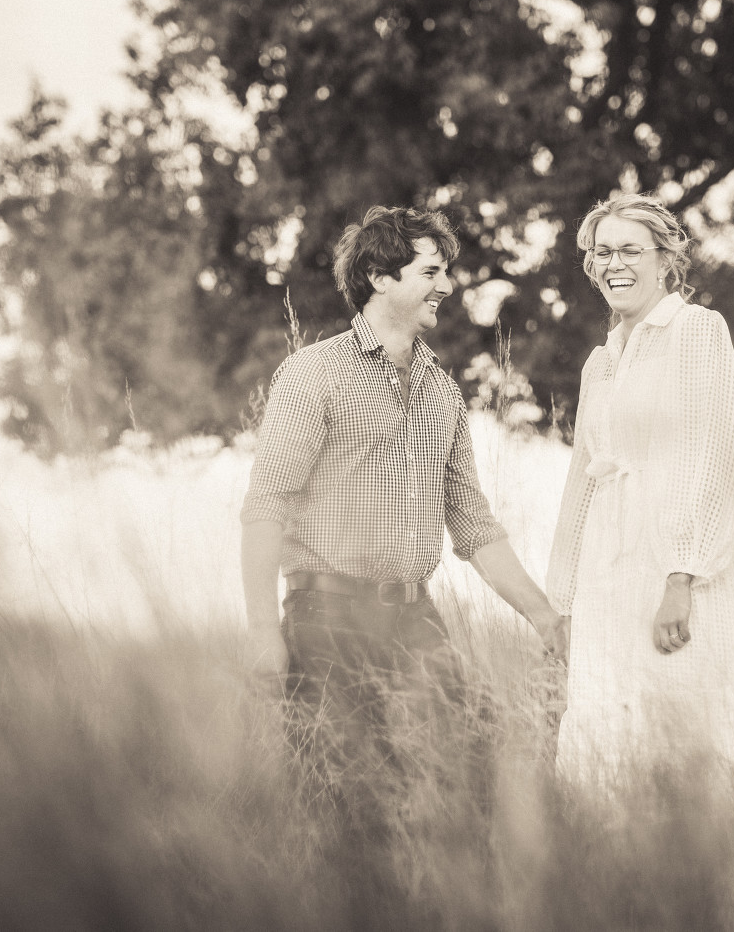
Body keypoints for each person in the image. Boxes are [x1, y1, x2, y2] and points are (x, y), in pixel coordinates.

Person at [241, 205, 570, 821]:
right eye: (430, 271)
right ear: (379, 276)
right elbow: (266, 506)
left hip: (415, 619)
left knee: (475, 783)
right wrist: (263, 631)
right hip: (326, 619)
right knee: (343, 804)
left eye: (445, 271)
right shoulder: (313, 374)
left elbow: (473, 524)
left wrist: (544, 616)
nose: (446, 285)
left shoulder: (443, 391)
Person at [546, 191, 734, 815]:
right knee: (613, 728)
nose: (613, 263)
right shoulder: (599, 362)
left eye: (629, 250)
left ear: (665, 261)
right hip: (608, 576)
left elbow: (710, 454)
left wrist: (680, 575)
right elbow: (584, 478)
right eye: (602, 252)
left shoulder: (696, 330)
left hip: (681, 570)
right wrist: (565, 597)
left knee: (703, 713)